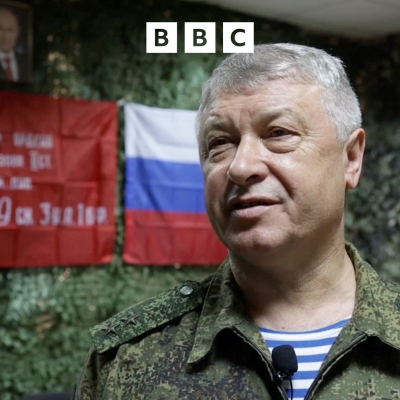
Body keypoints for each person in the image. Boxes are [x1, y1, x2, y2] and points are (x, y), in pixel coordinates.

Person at [74, 44, 400, 400]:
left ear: (350, 159)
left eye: (278, 133)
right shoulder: (126, 360)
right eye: (220, 142)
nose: (241, 167)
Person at [0, 6, 28, 82]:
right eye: (0, 29)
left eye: (9, 30)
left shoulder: (26, 63)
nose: (5, 36)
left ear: (17, 33)